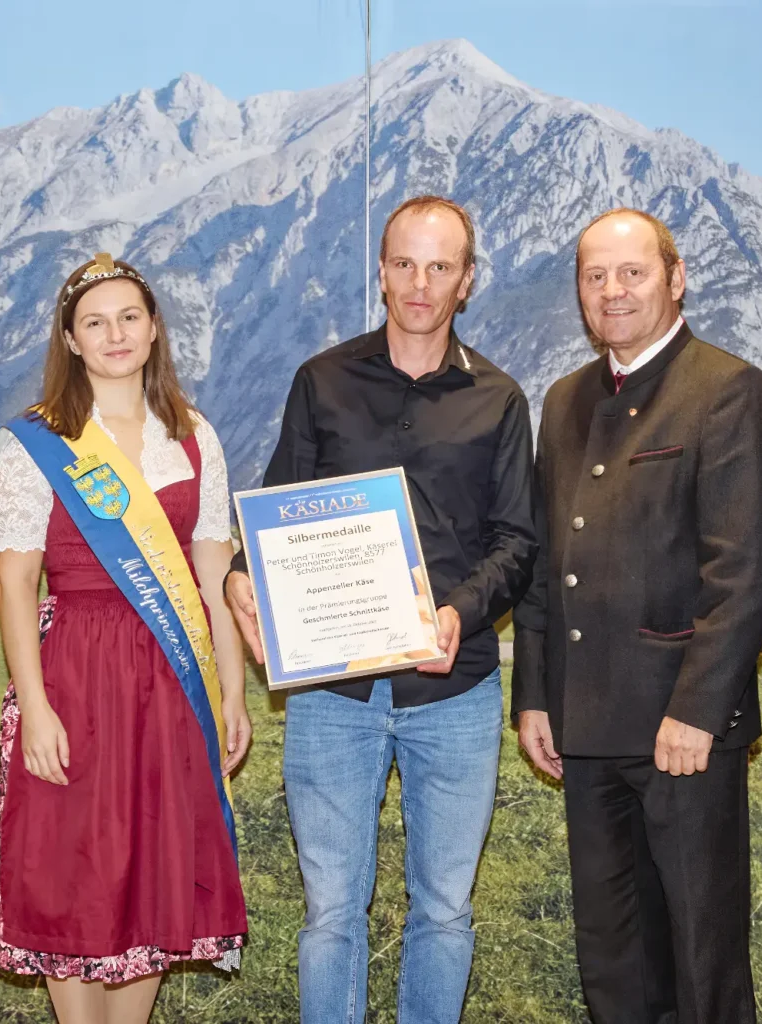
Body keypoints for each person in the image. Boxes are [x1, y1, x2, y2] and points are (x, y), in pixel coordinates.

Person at [224, 195, 535, 1024]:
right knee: (330, 914)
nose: (420, 283)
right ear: (382, 270)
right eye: (404, 263)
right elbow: (275, 514)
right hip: (334, 696)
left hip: (454, 692)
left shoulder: (500, 399)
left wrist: (459, 613)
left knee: (444, 910)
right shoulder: (322, 381)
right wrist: (237, 577)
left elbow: (517, 542)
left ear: (466, 280)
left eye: (440, 266)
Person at [513, 208, 762, 1023]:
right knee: (612, 954)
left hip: (682, 733)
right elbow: (542, 564)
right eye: (594, 277)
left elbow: (745, 571)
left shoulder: (727, 388)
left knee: (702, 953)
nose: (613, 291)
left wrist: (697, 711)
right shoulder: (562, 401)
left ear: (676, 276)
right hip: (585, 729)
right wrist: (533, 693)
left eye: (631, 273)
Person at [0, 253, 250, 1024]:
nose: (115, 335)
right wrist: (34, 707)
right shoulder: (39, 441)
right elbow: (14, 583)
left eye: (129, 317)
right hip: (72, 672)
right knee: (76, 867)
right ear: (69, 340)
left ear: (154, 328)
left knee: (150, 866)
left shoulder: (193, 435)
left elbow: (212, 578)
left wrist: (233, 691)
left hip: (171, 682)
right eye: (94, 322)